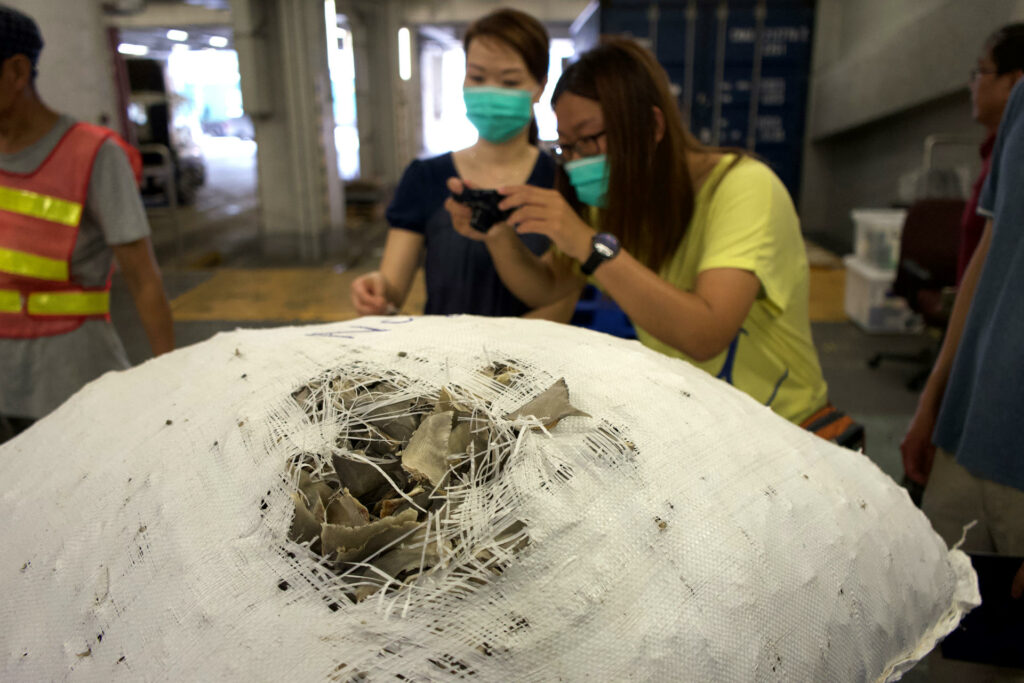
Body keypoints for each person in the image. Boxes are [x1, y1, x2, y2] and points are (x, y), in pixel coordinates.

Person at [446, 38, 833, 430]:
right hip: (706, 419)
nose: (578, 161)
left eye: (589, 139)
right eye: (566, 146)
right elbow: (547, 286)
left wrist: (588, 244)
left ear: (652, 126)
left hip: (786, 425)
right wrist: (497, 235)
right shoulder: (617, 200)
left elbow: (706, 334)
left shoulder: (744, 187)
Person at [0, 5, 174, 441]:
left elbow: (144, 280)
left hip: (70, 385)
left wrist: (172, 390)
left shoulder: (93, 156)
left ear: (17, 72)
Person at [902, 74, 1024, 677]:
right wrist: (934, 401)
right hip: (968, 431)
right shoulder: (1021, 102)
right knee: (940, 636)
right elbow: (991, 252)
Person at [350, 8, 578, 321]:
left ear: (540, 86)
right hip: (442, 362)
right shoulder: (426, 178)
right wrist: (377, 292)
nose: (490, 91)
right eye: (477, 77)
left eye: (509, 81)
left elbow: (560, 297)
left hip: (530, 365)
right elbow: (392, 290)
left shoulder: (562, 183)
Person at [957, 23, 1024, 284]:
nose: (972, 84)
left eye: (982, 71)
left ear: (1015, 82)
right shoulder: (996, 156)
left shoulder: (1013, 165)